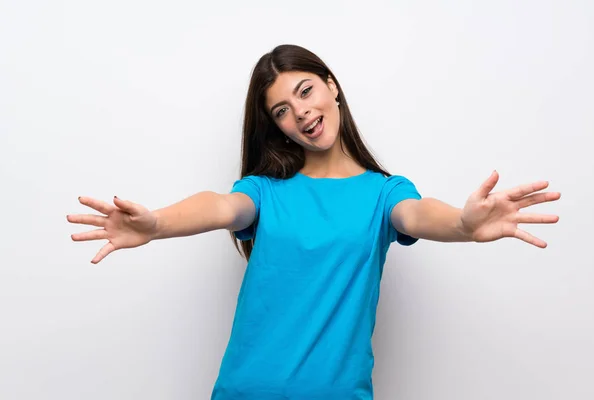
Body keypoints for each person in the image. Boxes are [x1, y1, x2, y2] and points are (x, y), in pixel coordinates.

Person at [67, 44, 561, 399]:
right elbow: (218, 206)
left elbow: (417, 214)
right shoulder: (264, 192)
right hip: (245, 390)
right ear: (277, 126)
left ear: (332, 87)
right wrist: (156, 224)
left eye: (305, 91)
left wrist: (463, 223)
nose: (301, 113)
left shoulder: (383, 193)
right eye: (282, 110)